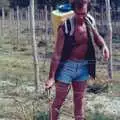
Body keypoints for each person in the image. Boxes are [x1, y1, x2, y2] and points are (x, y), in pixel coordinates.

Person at [45, 0, 110, 120]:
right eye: (79, 14)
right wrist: (51, 77)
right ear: (74, 11)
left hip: (83, 67)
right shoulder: (66, 26)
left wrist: (103, 47)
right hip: (66, 67)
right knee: (58, 101)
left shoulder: (89, 21)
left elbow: (96, 36)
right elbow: (57, 54)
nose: (82, 16)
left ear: (87, 11)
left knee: (79, 100)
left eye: (84, 13)